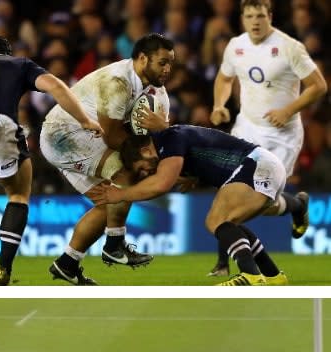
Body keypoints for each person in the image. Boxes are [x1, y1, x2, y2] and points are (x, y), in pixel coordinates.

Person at [40, 33, 174, 285]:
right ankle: (114, 246)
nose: (167, 69)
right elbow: (112, 135)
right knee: (126, 174)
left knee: (110, 201)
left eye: (170, 63)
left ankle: (67, 263)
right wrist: (142, 161)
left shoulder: (159, 95)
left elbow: (161, 138)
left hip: (86, 137)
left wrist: (159, 142)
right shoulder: (118, 82)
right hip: (63, 134)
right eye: (162, 62)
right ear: (143, 59)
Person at [207, 0, 326, 277]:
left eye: (260, 15)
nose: (255, 21)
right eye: (249, 16)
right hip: (246, 128)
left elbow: (319, 86)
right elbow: (224, 79)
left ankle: (296, 205)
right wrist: (218, 105)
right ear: (242, 19)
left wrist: (288, 110)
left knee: (262, 203)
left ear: (270, 16)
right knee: (227, 191)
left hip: (281, 136)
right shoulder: (235, 46)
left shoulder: (289, 47)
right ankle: (223, 263)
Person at [90, 125, 289, 286]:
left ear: (145, 150)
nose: (146, 173)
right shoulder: (171, 141)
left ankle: (250, 275)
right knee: (229, 223)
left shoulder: (169, 139)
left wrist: (121, 194)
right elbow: (205, 150)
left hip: (256, 166)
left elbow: (161, 184)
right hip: (265, 166)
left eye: (143, 167)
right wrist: (193, 174)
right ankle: (272, 275)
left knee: (216, 221)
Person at [0, 35, 103, 285]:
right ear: (6, 52)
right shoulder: (17, 64)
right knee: (17, 195)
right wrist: (85, 120)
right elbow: (56, 87)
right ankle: (2, 270)